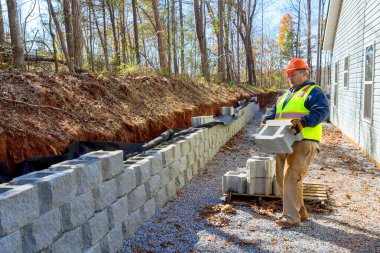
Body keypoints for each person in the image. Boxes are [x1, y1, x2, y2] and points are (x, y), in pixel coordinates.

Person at [262, 58, 330, 228]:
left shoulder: (314, 91)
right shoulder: (285, 95)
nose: (290, 77)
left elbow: (322, 111)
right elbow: (274, 114)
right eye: (289, 75)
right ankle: (300, 212)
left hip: (304, 140)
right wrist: (266, 120)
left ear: (304, 73)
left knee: (292, 176)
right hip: (283, 141)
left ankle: (291, 218)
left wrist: (303, 122)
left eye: (294, 74)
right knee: (282, 177)